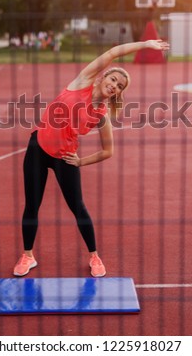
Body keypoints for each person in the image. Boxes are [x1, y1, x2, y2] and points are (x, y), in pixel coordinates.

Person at [13, 39, 169, 278]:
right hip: (38, 148)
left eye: (119, 86)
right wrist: (146, 44)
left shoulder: (101, 115)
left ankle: (94, 256)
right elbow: (113, 51)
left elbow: (108, 151)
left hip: (65, 157)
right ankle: (28, 256)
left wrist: (81, 161)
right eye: (113, 79)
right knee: (32, 205)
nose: (114, 85)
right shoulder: (82, 82)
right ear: (103, 77)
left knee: (78, 208)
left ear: (118, 93)